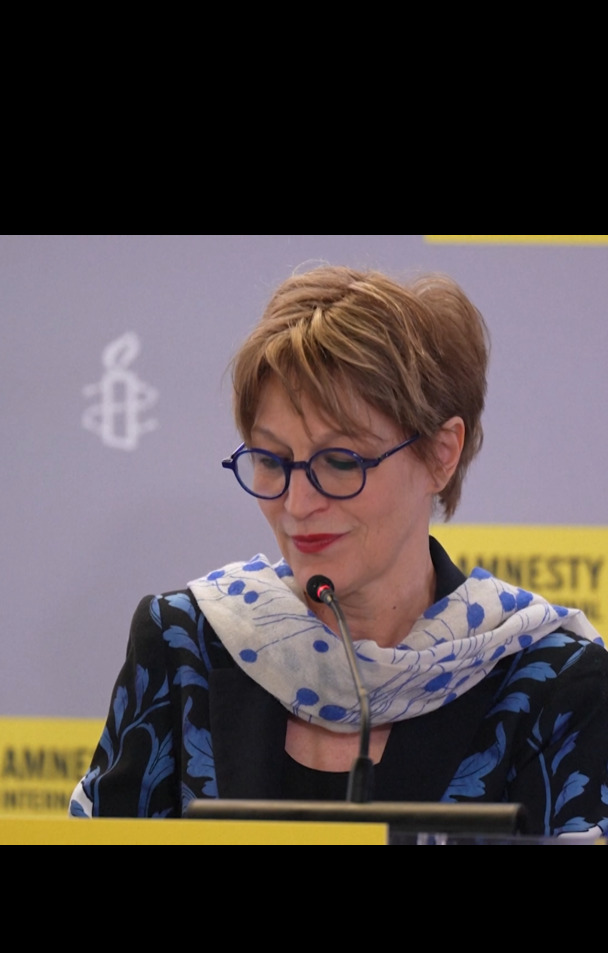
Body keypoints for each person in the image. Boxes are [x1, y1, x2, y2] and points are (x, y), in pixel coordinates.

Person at [69, 264, 608, 839]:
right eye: (272, 461)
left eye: (341, 462)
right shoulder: (184, 646)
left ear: (441, 454)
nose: (297, 503)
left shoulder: (553, 681)